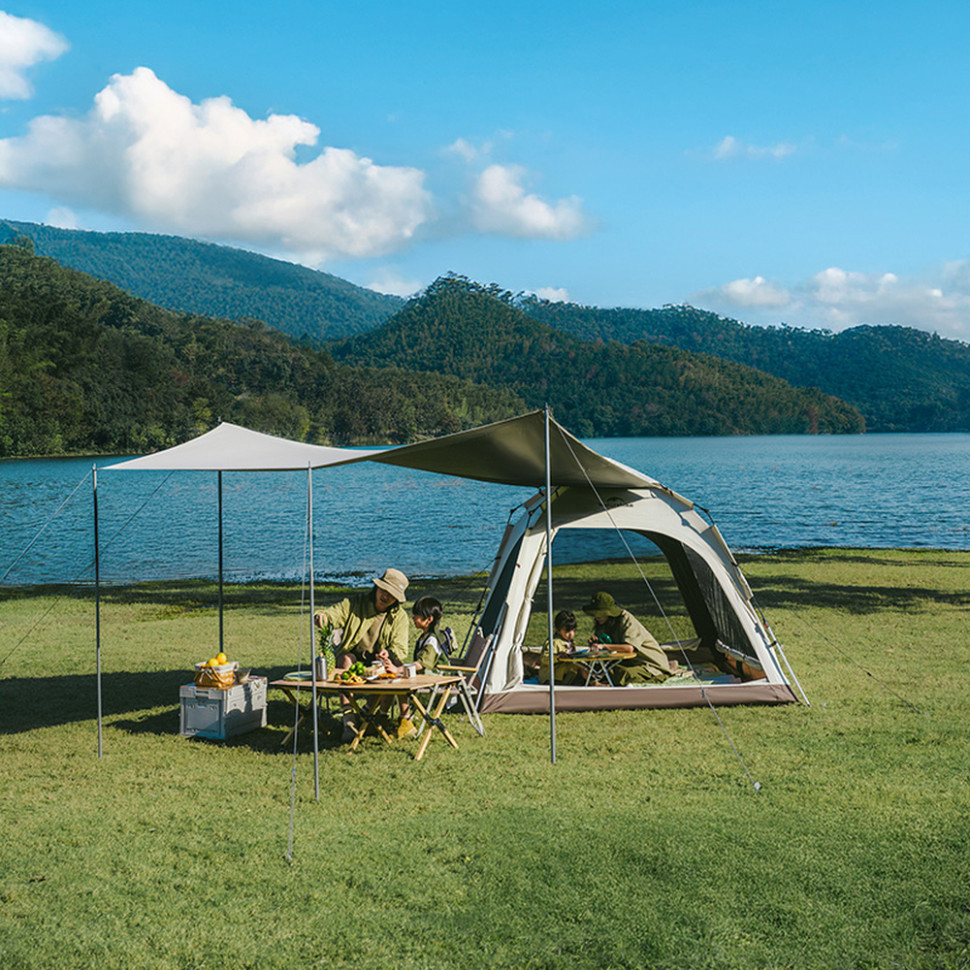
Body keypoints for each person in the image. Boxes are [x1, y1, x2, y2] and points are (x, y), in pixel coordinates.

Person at [314, 567, 410, 741]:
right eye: (384, 590)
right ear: (377, 587)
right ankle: (349, 717)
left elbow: (400, 648)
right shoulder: (356, 603)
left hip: (378, 662)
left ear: (396, 599)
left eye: (391, 595)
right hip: (353, 656)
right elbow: (334, 613)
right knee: (345, 659)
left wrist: (387, 653)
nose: (386, 596)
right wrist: (322, 617)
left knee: (382, 669)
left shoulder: (400, 617)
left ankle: (367, 714)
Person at [582, 591, 673, 685]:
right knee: (589, 669)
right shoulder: (603, 623)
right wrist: (596, 643)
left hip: (649, 665)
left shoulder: (626, 619)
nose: (597, 617)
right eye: (595, 614)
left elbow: (629, 648)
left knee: (625, 675)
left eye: (600, 614)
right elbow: (608, 645)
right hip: (627, 663)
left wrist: (603, 646)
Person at [538, 610, 583, 686]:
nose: (571, 634)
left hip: (567, 675)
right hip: (552, 677)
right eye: (567, 631)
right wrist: (557, 657)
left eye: (573, 630)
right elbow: (544, 658)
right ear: (557, 630)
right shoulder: (554, 642)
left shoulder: (571, 642)